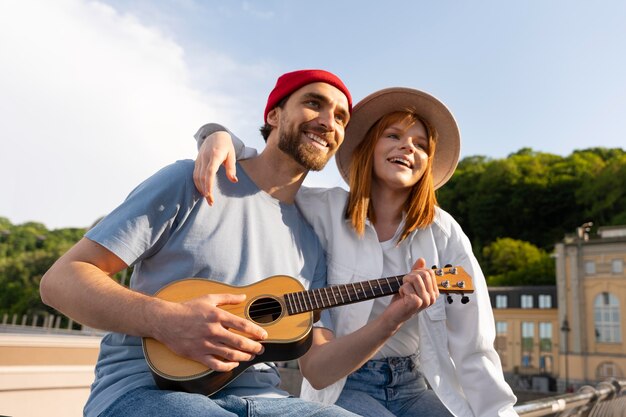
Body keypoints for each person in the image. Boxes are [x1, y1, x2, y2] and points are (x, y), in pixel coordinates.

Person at [39, 70, 439, 417]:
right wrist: (164, 319)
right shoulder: (194, 180)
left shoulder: (313, 240)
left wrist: (393, 319)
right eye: (313, 103)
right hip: (146, 392)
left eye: (340, 117)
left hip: (267, 399)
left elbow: (318, 367)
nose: (327, 121)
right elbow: (60, 282)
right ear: (273, 115)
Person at [193, 87, 519, 416]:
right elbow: (264, 180)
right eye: (394, 135)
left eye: (421, 145)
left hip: (413, 384)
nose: (408, 147)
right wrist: (220, 137)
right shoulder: (321, 209)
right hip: (344, 385)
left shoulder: (444, 232)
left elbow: (474, 346)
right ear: (368, 147)